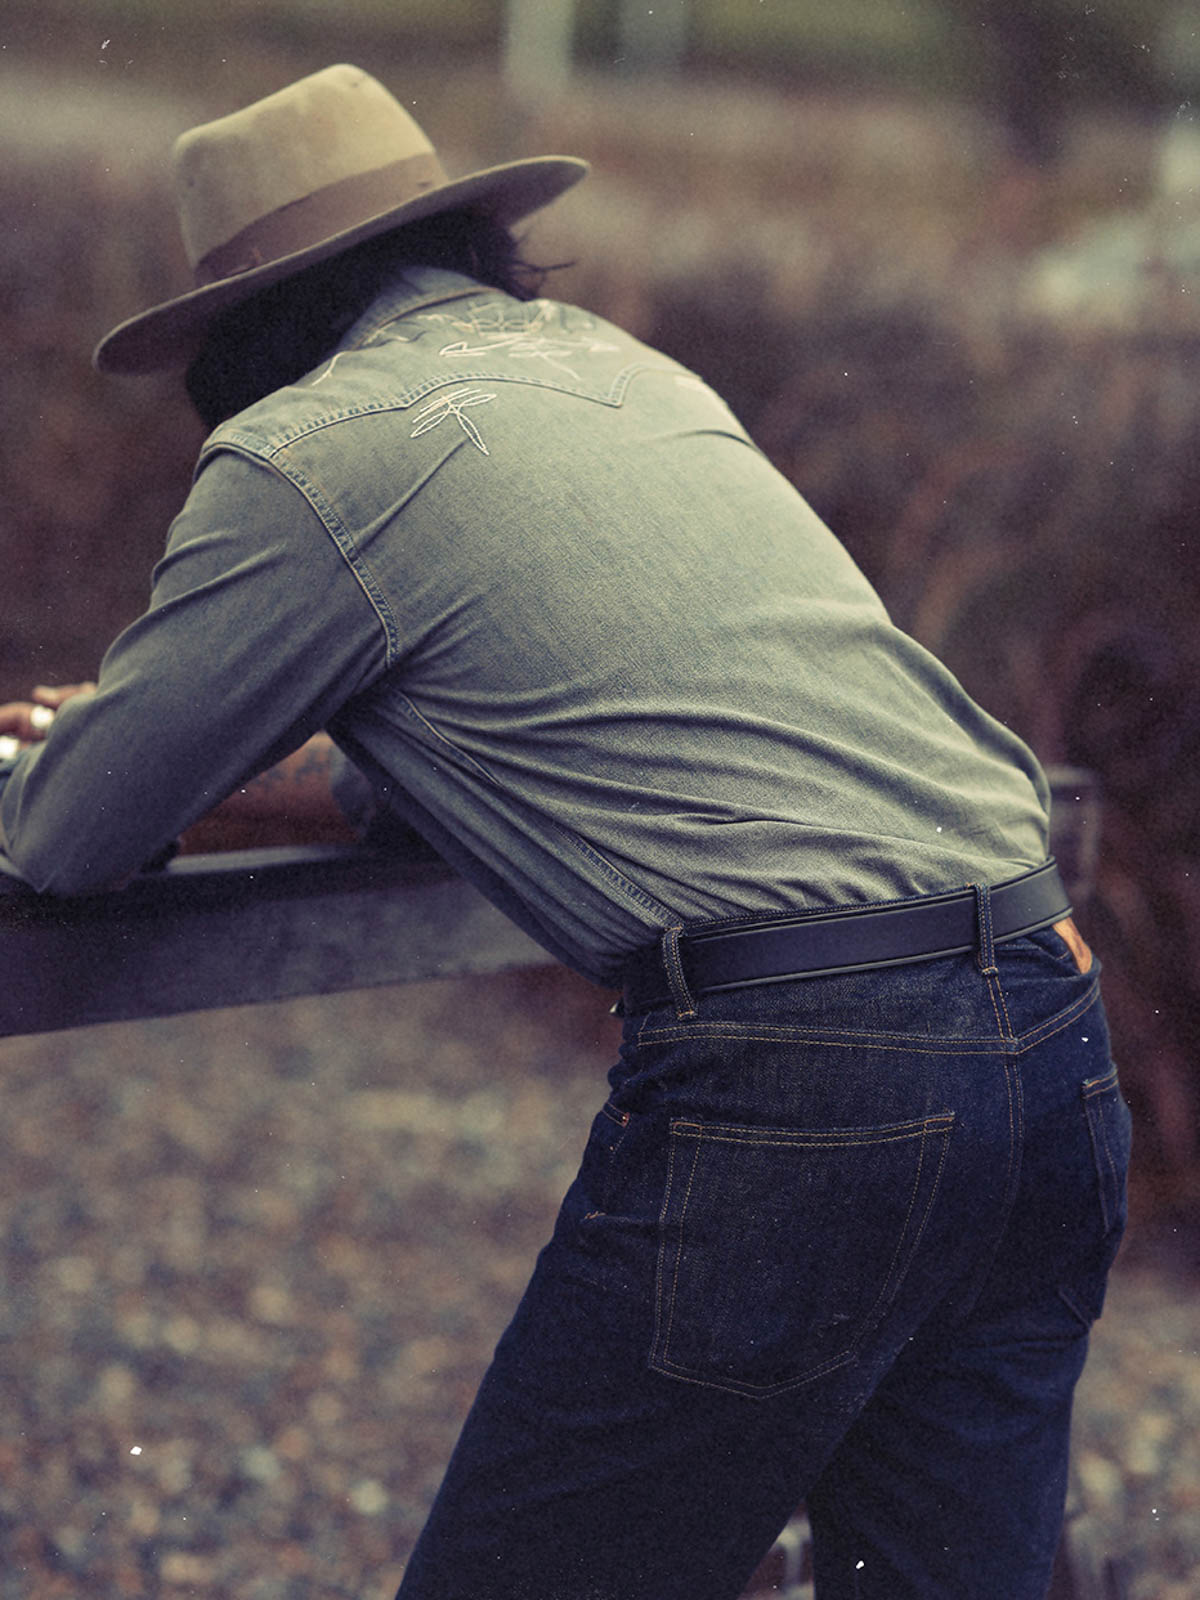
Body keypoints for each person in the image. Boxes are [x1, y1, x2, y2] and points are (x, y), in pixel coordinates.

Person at [0, 64, 1130, 1600]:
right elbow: (480, 763)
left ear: (239, 333)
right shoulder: (627, 375)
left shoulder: (310, 456)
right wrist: (209, 771)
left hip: (811, 1083)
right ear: (464, 244)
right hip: (1049, 1024)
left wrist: (85, 752)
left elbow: (60, 840)